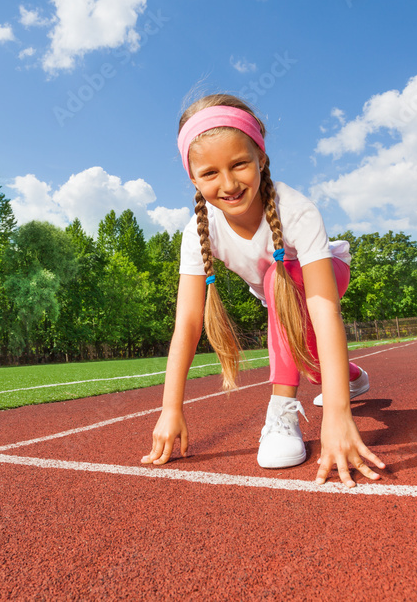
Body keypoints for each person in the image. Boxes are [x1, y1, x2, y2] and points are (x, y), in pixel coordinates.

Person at [140, 93, 386, 487]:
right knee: (307, 358)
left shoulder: (297, 210)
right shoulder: (196, 233)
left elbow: (324, 311)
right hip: (280, 298)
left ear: (261, 158)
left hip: (325, 274)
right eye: (210, 173)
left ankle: (282, 411)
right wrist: (171, 408)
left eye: (239, 164)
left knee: (278, 273)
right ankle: (353, 377)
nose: (229, 183)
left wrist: (337, 414)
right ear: (192, 177)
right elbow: (186, 322)